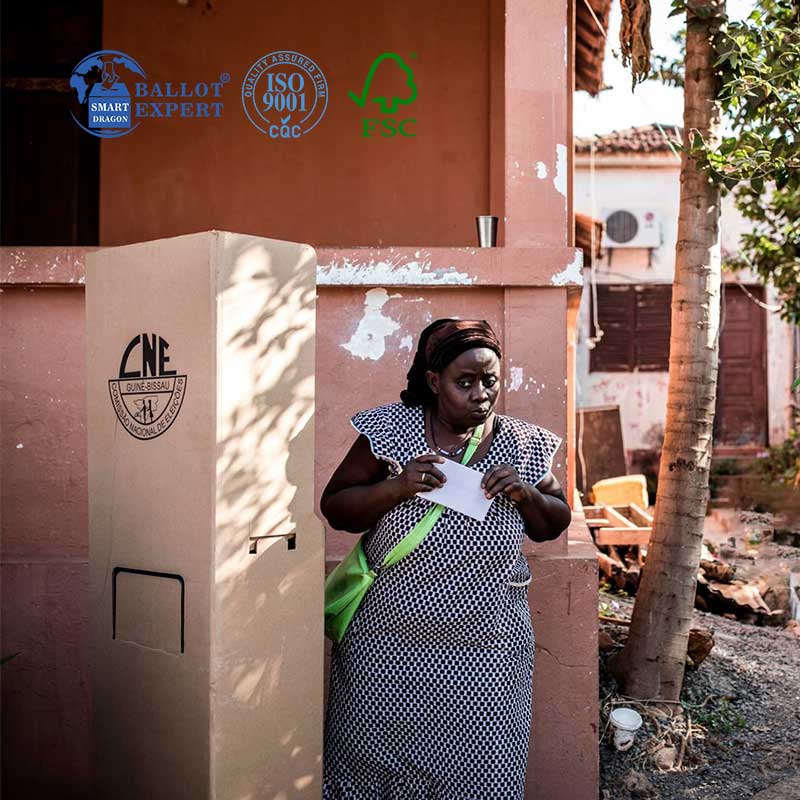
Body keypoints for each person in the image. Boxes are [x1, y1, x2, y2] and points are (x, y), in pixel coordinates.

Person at [320, 318, 572, 799]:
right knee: (373, 768)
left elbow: (554, 523)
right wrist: (397, 486)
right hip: (387, 649)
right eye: (466, 382)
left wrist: (525, 493)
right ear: (434, 381)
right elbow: (336, 508)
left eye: (490, 381)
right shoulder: (391, 431)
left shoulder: (524, 443)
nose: (481, 394)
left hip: (489, 651)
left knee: (482, 772)